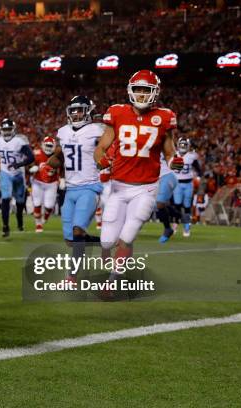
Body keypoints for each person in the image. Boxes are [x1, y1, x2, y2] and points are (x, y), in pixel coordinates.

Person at [93, 70, 184, 281]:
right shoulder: (116, 113)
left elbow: (169, 151)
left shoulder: (165, 117)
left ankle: (113, 280)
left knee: (129, 232)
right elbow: (101, 148)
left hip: (146, 188)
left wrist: (174, 161)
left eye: (146, 90)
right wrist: (101, 162)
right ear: (130, 91)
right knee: (107, 241)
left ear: (155, 92)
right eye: (138, 90)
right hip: (118, 186)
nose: (142, 95)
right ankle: (116, 267)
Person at [49, 95, 104, 264]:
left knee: (77, 230)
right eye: (73, 111)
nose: (76, 114)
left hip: (90, 187)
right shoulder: (64, 132)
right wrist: (50, 163)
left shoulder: (98, 130)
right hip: (70, 189)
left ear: (88, 111)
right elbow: (58, 156)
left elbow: (110, 150)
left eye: (80, 110)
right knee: (70, 240)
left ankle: (72, 276)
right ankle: (104, 243)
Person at [0, 118, 34, 237]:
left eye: (9, 129)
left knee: (20, 202)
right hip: (5, 173)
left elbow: (31, 157)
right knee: (6, 198)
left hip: (19, 174)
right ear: (1, 130)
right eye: (5, 129)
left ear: (13, 129)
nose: (7, 131)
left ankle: (20, 222)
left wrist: (18, 164)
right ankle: (5, 226)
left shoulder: (20, 140)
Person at [30, 136, 60, 232]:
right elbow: (29, 163)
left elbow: (63, 168)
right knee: (37, 203)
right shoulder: (37, 153)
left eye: (50, 146)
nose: (48, 148)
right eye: (47, 145)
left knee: (49, 205)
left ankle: (45, 218)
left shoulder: (58, 155)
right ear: (43, 145)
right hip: (38, 182)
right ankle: (38, 224)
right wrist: (32, 167)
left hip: (52, 183)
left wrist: (62, 178)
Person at [172, 138, 201, 237]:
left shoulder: (192, 156)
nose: (183, 147)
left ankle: (186, 227)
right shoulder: (174, 154)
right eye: (181, 145)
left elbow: (198, 169)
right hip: (177, 184)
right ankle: (175, 224)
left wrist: (198, 177)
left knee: (187, 206)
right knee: (177, 205)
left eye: (184, 145)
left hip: (188, 184)